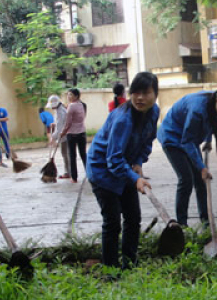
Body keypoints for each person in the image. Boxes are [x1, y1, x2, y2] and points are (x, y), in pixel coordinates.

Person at [86, 72, 159, 269]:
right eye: (135, 92)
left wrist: (138, 162)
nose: (140, 98)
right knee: (112, 222)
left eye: (146, 93)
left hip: (125, 168)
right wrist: (135, 179)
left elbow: (148, 139)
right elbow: (113, 159)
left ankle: (130, 262)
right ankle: (111, 268)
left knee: (133, 217)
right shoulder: (123, 119)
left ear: (155, 94)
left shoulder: (153, 112)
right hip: (102, 171)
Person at [157, 83, 217, 228]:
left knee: (201, 181)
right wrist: (202, 167)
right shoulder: (197, 109)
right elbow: (187, 142)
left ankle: (206, 221)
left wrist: (208, 140)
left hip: (188, 138)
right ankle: (182, 224)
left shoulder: (214, 101)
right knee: (186, 179)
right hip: (172, 137)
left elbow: (210, 120)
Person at [61, 88, 87, 183]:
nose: (68, 97)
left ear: (76, 96)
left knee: (72, 156)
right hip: (82, 133)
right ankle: (90, 173)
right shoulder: (82, 105)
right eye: (68, 95)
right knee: (83, 155)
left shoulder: (71, 106)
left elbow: (68, 123)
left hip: (72, 134)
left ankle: (74, 178)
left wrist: (63, 132)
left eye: (70, 95)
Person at [46, 95, 70, 179]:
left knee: (65, 154)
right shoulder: (58, 109)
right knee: (65, 154)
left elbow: (60, 128)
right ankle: (68, 171)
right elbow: (58, 122)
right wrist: (54, 124)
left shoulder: (60, 111)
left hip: (64, 135)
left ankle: (68, 172)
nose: (51, 108)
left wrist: (53, 137)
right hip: (62, 134)